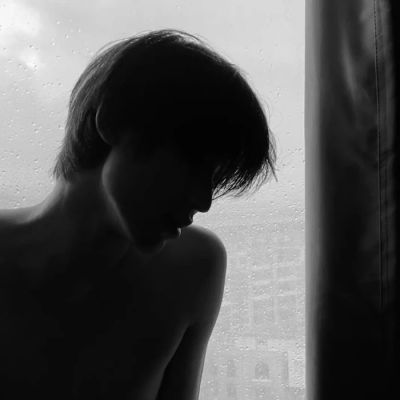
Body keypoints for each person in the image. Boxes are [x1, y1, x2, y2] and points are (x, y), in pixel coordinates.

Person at [0, 29, 277, 399]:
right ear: (113, 122)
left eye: (214, 179)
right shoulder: (187, 269)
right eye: (192, 164)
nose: (204, 201)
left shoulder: (195, 267)